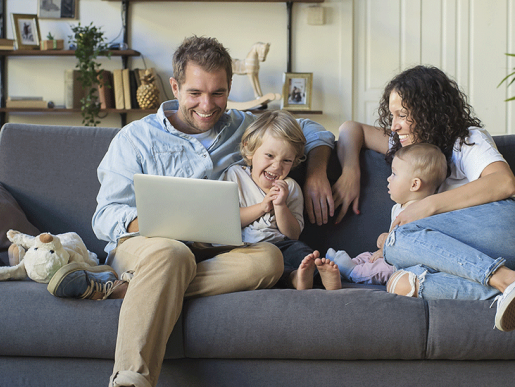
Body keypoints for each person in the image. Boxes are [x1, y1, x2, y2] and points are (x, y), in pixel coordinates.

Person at [46, 35, 336, 387]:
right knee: (172, 252)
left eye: (218, 93)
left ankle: (129, 289)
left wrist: (319, 172)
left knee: (270, 260)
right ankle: (130, 379)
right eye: (195, 93)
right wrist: (162, 225)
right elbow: (106, 216)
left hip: (216, 252)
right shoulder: (135, 138)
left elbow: (312, 131)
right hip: (149, 247)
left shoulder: (243, 126)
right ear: (175, 86)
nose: (207, 105)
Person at [331, 65, 515, 332]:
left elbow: (504, 182)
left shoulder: (466, 140)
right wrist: (350, 172)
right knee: (401, 280)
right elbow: (352, 129)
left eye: (402, 114)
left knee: (397, 239)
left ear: (427, 113)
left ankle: (505, 279)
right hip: (501, 259)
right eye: (392, 115)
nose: (395, 125)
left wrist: (426, 206)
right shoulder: (407, 147)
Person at [223, 109, 341, 290]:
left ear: (294, 161)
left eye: (286, 160)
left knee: (302, 253)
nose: (277, 166)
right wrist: (263, 207)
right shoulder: (235, 175)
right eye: (269, 155)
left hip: (281, 244)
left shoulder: (290, 187)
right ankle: (294, 278)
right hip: (245, 247)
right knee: (262, 264)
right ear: (249, 150)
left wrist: (280, 206)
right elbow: (229, 220)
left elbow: (292, 234)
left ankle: (317, 278)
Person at [326, 142, 447, 285]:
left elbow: (410, 248)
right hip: (389, 255)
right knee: (368, 256)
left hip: (403, 265)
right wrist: (385, 242)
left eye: (394, 174)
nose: (388, 178)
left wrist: (386, 245)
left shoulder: (422, 214)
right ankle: (346, 264)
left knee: (382, 269)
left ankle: (353, 272)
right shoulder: (398, 207)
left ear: (414, 184)